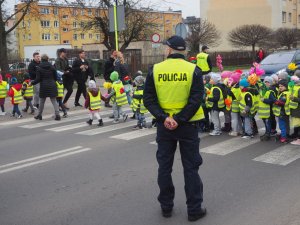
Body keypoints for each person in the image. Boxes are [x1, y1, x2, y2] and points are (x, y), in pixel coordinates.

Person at [144, 35, 206, 222]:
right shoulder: (193, 70)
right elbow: (196, 99)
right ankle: (194, 210)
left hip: (165, 127)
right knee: (191, 168)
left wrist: (165, 118)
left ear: (169, 49)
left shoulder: (155, 70)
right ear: (184, 51)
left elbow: (148, 99)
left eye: (165, 48)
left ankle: (166, 207)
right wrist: (179, 119)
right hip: (188, 125)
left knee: (164, 167)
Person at [31, 54, 60, 121]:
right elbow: (56, 77)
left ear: (42, 59)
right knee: (54, 101)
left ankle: (39, 115)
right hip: (52, 85)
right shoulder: (52, 67)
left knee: (41, 101)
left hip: (43, 86)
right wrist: (52, 81)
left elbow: (38, 79)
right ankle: (57, 115)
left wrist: (32, 83)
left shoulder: (39, 67)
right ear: (48, 59)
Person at [258, 76, 276, 141]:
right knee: (265, 123)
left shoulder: (270, 91)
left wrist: (265, 100)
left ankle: (268, 134)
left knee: (268, 122)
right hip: (263, 111)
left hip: (269, 111)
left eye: (268, 82)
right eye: (265, 82)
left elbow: (273, 100)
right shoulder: (261, 90)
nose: (266, 83)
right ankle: (267, 132)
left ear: (270, 83)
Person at [289, 75, 300, 145]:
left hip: (298, 110)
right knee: (296, 125)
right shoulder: (294, 87)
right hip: (294, 110)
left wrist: (294, 98)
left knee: (299, 125)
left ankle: (299, 139)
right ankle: (296, 135)